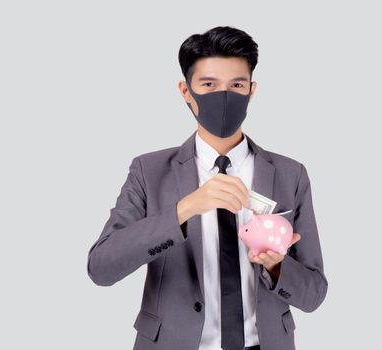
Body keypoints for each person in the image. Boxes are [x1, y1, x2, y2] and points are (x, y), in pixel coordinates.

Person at [87, 25, 328, 350]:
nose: (223, 96)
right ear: (186, 91)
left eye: (236, 85)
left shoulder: (290, 174)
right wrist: (184, 210)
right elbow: (101, 268)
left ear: (251, 90)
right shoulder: (149, 170)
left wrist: (276, 266)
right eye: (209, 85)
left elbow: (314, 294)